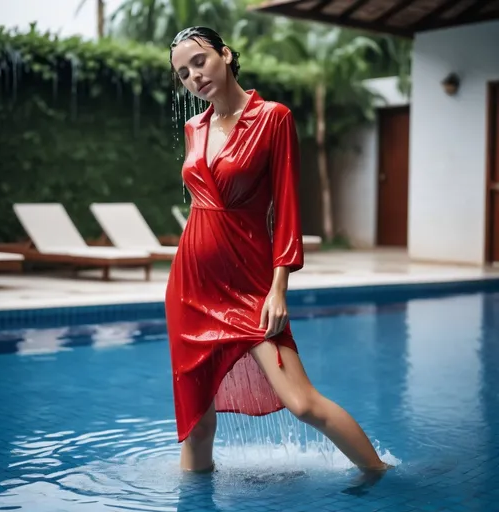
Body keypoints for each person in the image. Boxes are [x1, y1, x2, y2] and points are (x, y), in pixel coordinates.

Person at [166, 26, 389, 475]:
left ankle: (382, 476)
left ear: (225, 55)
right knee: (198, 425)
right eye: (183, 73)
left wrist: (278, 288)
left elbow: (287, 211)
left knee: (303, 403)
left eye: (200, 61)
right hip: (190, 288)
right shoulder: (194, 128)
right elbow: (200, 208)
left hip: (250, 285)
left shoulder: (274, 118)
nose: (194, 76)